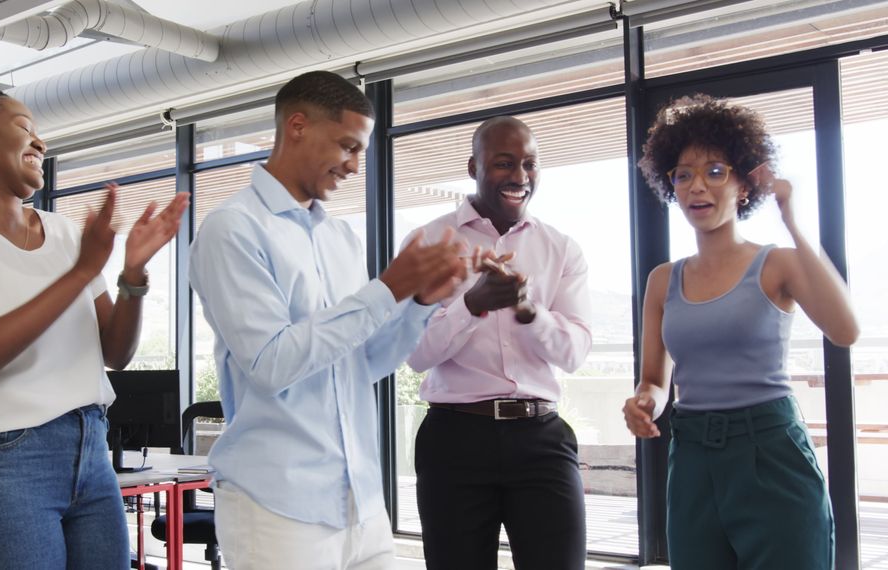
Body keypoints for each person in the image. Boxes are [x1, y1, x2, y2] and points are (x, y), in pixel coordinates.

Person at [0, 88, 189, 569]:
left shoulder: (68, 234)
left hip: (90, 453)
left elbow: (116, 351)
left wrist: (132, 275)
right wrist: (78, 273)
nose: (41, 143)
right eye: (26, 127)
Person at [189, 70, 467, 570]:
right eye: (347, 146)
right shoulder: (231, 229)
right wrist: (389, 289)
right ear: (297, 126)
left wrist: (420, 303)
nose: (356, 166)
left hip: (360, 503)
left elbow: (362, 364)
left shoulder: (341, 238)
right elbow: (271, 363)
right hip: (277, 508)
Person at [622, 94, 859, 570]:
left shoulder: (778, 264)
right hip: (691, 459)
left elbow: (845, 330)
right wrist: (643, 402)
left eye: (715, 171)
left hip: (770, 450)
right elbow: (654, 378)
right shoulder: (662, 281)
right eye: (683, 174)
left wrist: (793, 220)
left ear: (744, 185)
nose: (697, 187)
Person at [405, 116, 592, 570]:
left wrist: (529, 312)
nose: (520, 177)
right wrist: (472, 304)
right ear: (474, 166)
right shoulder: (429, 242)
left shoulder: (561, 249)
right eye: (504, 163)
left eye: (530, 164)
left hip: (541, 438)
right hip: (454, 441)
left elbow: (574, 353)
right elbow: (414, 354)